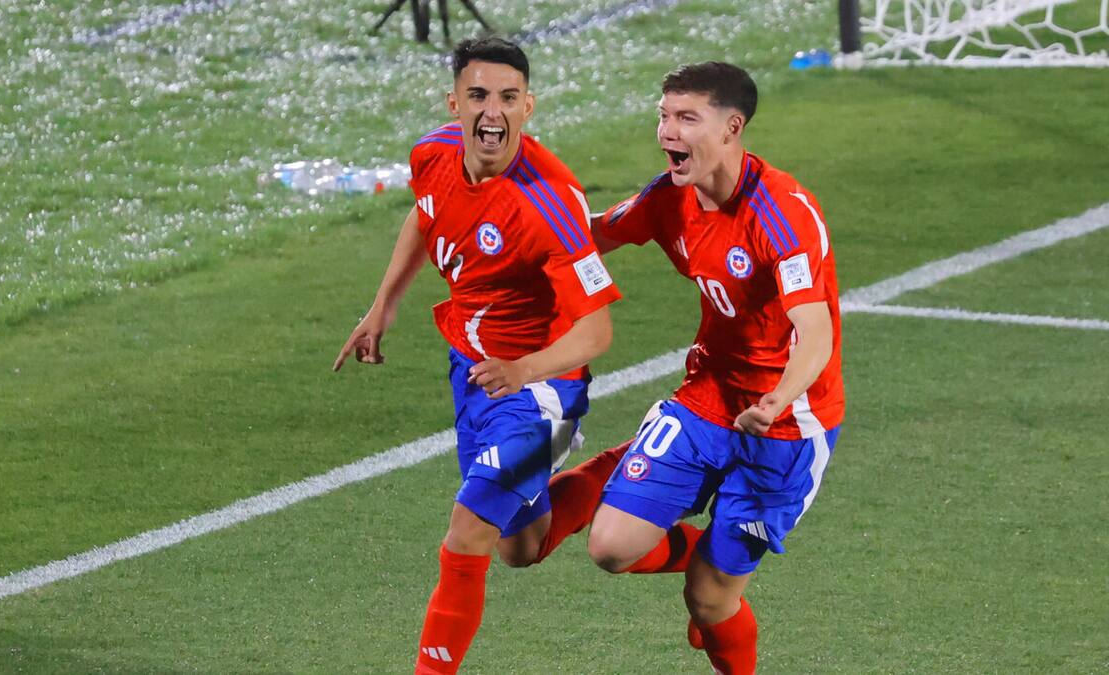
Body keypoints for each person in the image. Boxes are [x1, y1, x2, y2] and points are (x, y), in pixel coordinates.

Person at [333, 37, 622, 674]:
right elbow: (428, 212)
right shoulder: (433, 152)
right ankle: (623, 468)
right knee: (519, 546)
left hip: (539, 388)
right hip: (472, 369)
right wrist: (383, 304)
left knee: (466, 531)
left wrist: (523, 371)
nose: (493, 112)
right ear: (455, 103)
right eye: (479, 96)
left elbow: (596, 331)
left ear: (529, 107)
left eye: (508, 99)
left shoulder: (552, 201)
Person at [584, 61, 845, 673]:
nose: (668, 132)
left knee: (707, 599)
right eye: (664, 116)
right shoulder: (669, 198)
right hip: (708, 396)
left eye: (686, 118)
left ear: (731, 127)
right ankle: (709, 549)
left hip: (787, 425)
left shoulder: (782, 215)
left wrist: (778, 399)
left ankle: (715, 579)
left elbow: (816, 333)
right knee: (611, 548)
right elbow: (592, 235)